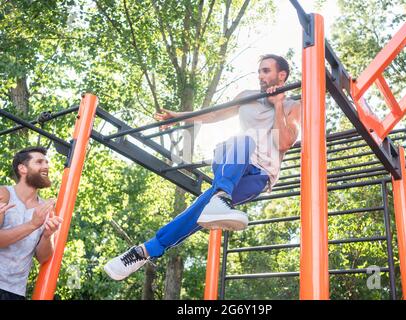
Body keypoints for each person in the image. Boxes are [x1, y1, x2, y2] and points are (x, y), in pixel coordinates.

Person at [104, 54, 301, 281]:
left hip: (258, 175)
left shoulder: (293, 106)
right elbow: (214, 114)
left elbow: (285, 143)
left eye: (266, 71)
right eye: (259, 72)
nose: (260, 76)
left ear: (282, 75)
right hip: (231, 157)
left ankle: (144, 251)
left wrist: (278, 106)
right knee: (244, 140)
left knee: (203, 207)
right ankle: (221, 195)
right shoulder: (247, 97)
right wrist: (179, 117)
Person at [0, 146, 63, 300]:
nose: (46, 166)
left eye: (47, 162)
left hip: (15, 291)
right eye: (39, 162)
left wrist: (48, 236)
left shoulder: (46, 209)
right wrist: (32, 225)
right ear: (23, 168)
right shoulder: (4, 194)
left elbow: (42, 257)